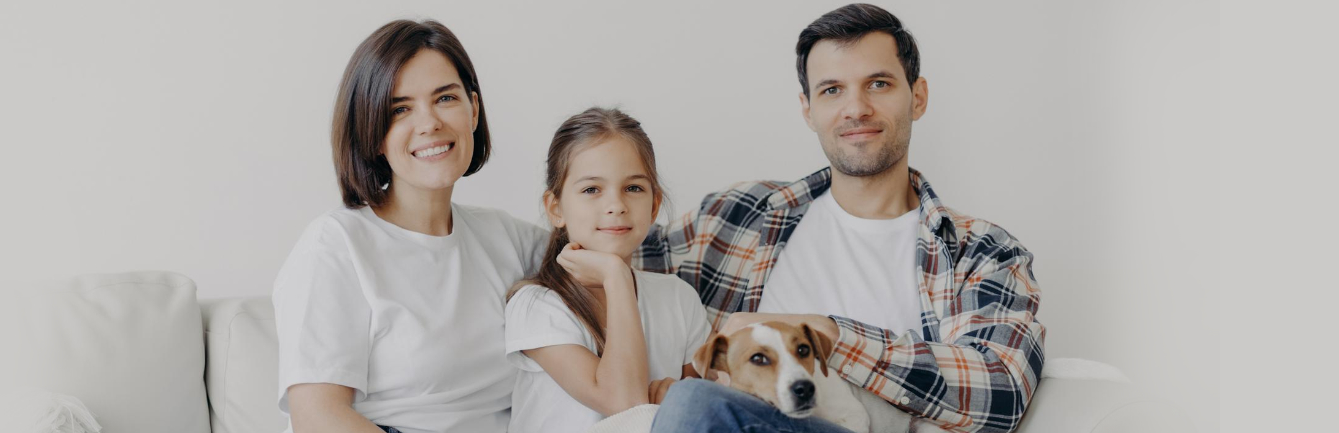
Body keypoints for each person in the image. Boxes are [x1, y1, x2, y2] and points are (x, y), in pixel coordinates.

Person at [639, 4, 1047, 432]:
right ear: (808, 109)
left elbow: (1001, 392)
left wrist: (828, 334)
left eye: (878, 83)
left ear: (918, 96)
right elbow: (610, 245)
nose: (856, 108)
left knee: (693, 403)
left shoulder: (982, 252)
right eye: (832, 90)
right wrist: (601, 266)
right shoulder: (738, 216)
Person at [271, 19, 547, 433]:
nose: (429, 123)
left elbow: (603, 245)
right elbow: (317, 416)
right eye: (400, 109)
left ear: (473, 109)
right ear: (372, 132)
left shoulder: (509, 239)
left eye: (445, 98)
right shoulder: (336, 245)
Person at [504, 107, 711, 433]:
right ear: (556, 208)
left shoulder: (678, 297)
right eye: (591, 190)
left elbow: (698, 415)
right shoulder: (537, 305)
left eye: (633, 188)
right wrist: (615, 277)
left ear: (654, 205)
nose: (616, 205)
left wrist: (685, 400)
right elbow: (624, 403)